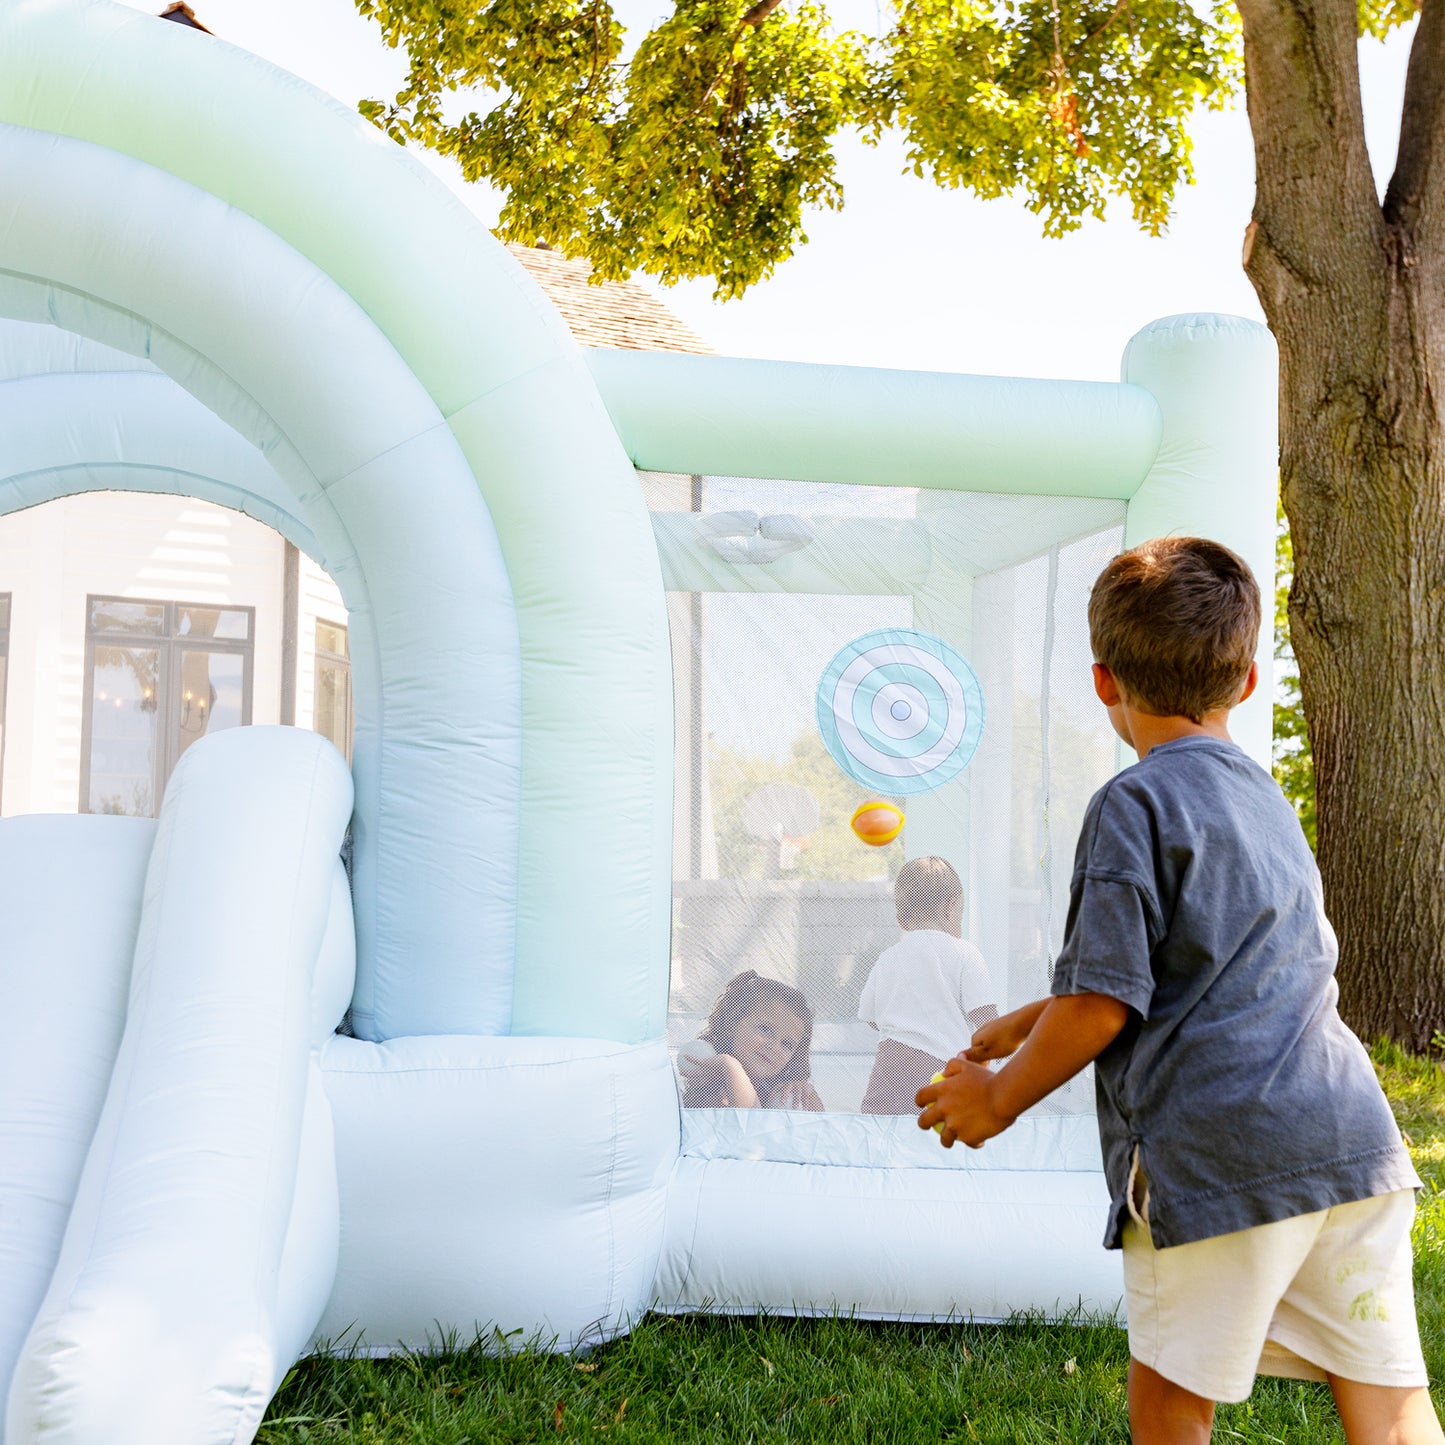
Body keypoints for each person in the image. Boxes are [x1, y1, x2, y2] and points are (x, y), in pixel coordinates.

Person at [917, 537, 1442, 1445]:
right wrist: (1020, 1021)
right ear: (1243, 682)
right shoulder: (1264, 800)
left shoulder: (1133, 803)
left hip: (1217, 1154)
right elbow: (1197, 965)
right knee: (1387, 1400)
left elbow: (1103, 1006)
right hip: (1350, 1149)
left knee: (1170, 1401)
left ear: (1101, 682)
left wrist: (997, 1097)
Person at [855, 856, 997, 1113]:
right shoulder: (964, 952)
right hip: (944, 1071)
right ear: (951, 908)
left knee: (879, 1134)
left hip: (888, 1071)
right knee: (947, 1139)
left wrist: (904, 1024)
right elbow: (985, 1017)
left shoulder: (887, 958)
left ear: (902, 920)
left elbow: (871, 1018)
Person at [678, 970, 824, 1111]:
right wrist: (729, 1065)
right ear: (732, 1024)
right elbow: (750, 1122)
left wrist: (809, 1095)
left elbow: (823, 1130)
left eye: (787, 1044)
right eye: (765, 1029)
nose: (774, 1047)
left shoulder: (775, 1091)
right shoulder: (713, 1084)